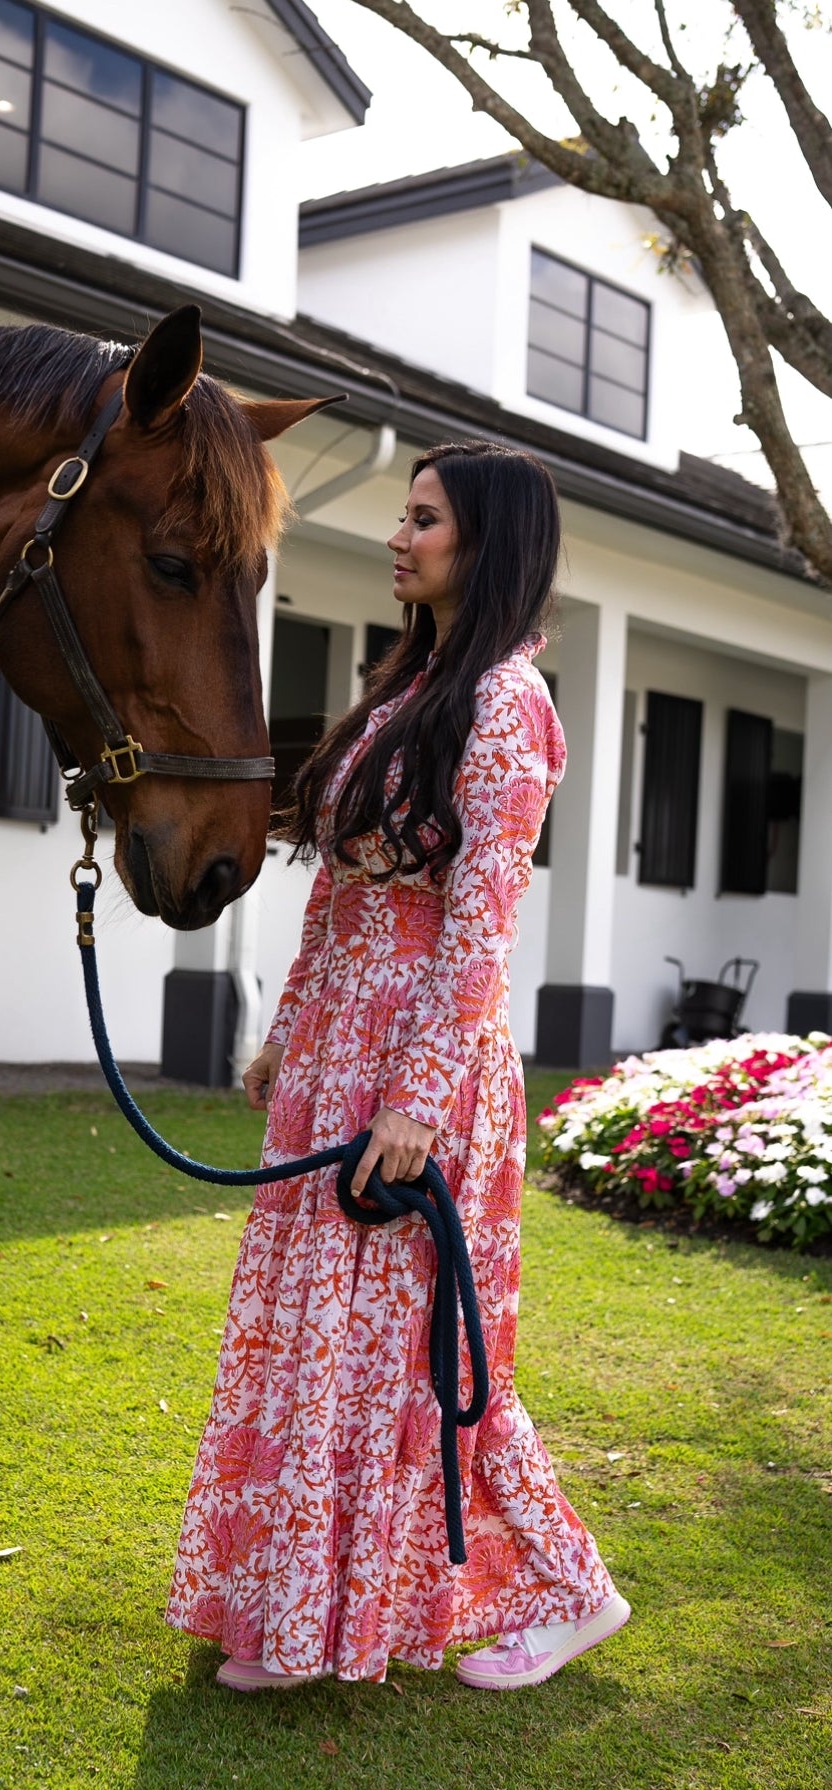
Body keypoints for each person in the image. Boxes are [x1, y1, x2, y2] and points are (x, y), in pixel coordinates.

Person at [165, 440, 628, 1692]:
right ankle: (290, 1616)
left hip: (426, 1066)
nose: (399, 535)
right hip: (336, 1055)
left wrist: (420, 1104)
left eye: (424, 519)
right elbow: (340, 896)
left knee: (422, 1353)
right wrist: (289, 1029)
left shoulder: (506, 710)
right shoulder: (404, 695)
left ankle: (575, 1589)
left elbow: (480, 924)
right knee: (316, 1342)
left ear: (486, 544)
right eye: (405, 515)